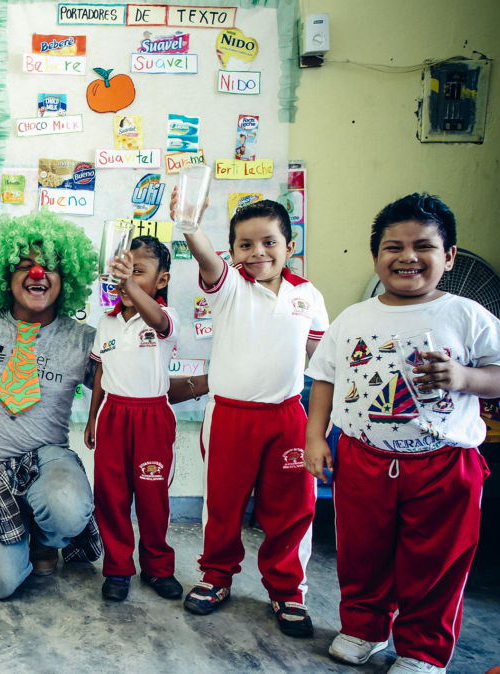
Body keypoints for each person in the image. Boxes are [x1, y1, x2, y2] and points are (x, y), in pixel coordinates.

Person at [305, 193, 500, 673]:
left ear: (449, 256)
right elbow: (325, 378)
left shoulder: (467, 315)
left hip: (443, 465)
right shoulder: (354, 317)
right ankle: (364, 629)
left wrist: (464, 379)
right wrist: (314, 438)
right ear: (376, 257)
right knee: (360, 552)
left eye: (424, 246)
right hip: (362, 457)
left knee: (435, 562)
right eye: (393, 246)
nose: (407, 256)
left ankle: (421, 651)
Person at [173, 193, 328, 637]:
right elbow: (207, 258)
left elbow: (322, 358)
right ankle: (215, 577)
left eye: (268, 242)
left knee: (292, 507)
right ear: (233, 251)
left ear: (289, 244)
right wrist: (189, 225)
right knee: (223, 505)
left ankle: (287, 590)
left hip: (287, 417)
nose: (257, 252)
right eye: (245, 245)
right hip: (230, 416)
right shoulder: (229, 286)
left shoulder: (308, 295)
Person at [0, 210, 101, 599]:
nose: (37, 274)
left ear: (66, 278)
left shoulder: (83, 339)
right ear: (6, 275)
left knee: (67, 508)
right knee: (0, 584)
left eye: (49, 266)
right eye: (25, 266)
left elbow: (129, 384)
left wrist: (208, 384)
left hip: (47, 459)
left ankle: (44, 539)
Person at [84, 236, 183, 602]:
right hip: (113, 415)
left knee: (152, 498)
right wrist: (93, 418)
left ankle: (158, 568)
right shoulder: (107, 323)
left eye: (137, 272)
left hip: (152, 418)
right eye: (121, 271)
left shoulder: (164, 319)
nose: (125, 280)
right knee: (111, 497)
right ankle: (118, 569)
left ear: (161, 281)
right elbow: (99, 374)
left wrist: (129, 285)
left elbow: (156, 317)